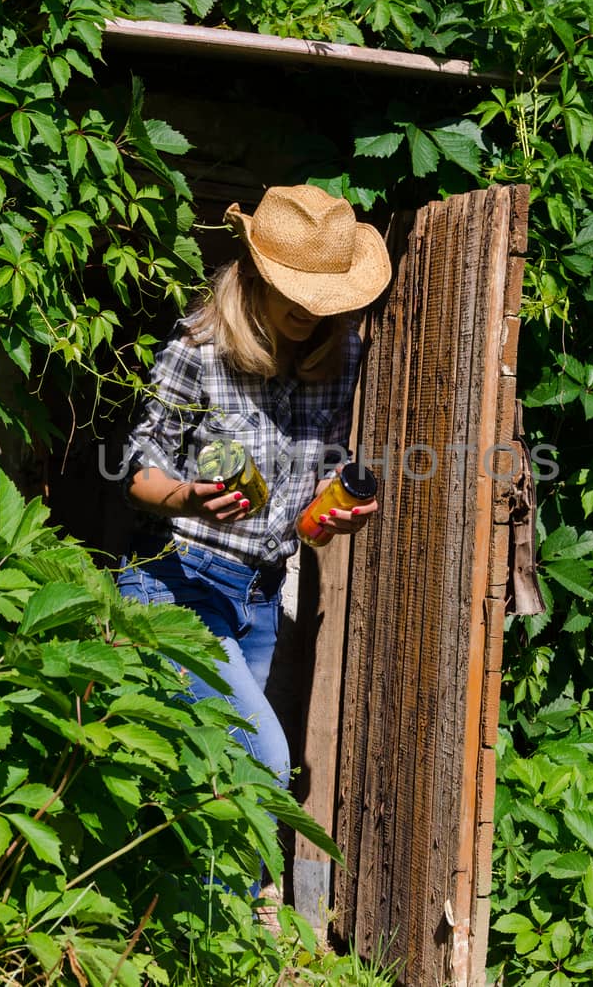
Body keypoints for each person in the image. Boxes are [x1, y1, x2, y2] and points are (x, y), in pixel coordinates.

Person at [116, 185, 392, 795]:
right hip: (179, 579)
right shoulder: (200, 349)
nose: (310, 311)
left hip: (261, 595)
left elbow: (324, 457)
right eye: (296, 291)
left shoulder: (340, 353)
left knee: (202, 783)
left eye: (324, 298)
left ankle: (217, 894)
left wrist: (336, 499)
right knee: (258, 762)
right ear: (254, 274)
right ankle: (249, 895)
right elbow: (137, 468)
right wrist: (187, 497)